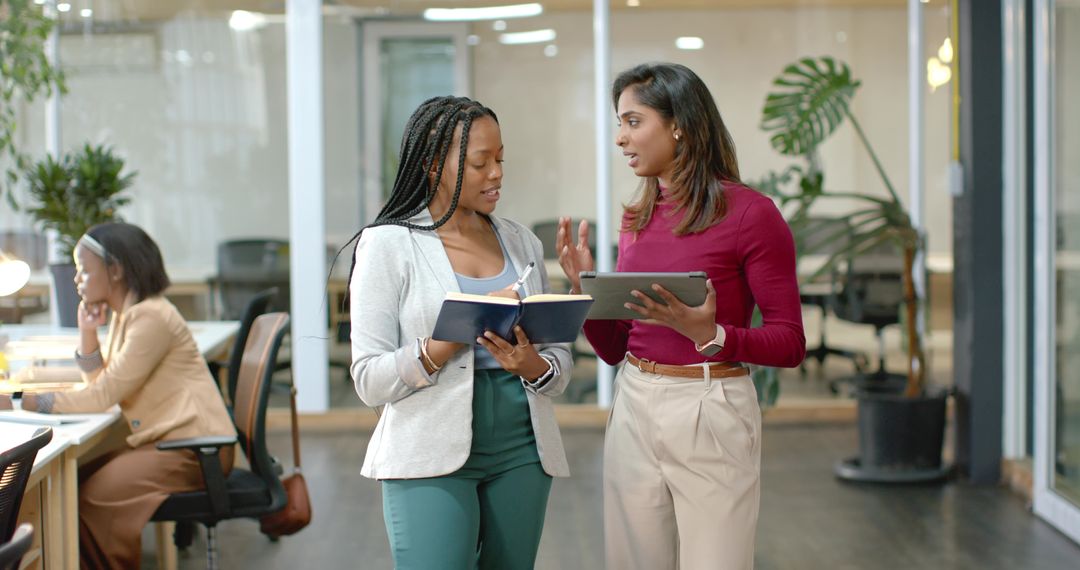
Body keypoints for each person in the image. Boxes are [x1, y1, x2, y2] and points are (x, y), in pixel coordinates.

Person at [557, 63, 806, 570]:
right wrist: (585, 292)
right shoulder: (636, 218)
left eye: (633, 122)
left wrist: (712, 335)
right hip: (634, 401)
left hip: (711, 404)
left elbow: (790, 343)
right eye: (620, 124)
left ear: (678, 126)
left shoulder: (752, 214)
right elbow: (614, 349)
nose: (621, 138)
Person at [345, 96, 572, 570]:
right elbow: (368, 379)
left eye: (501, 159)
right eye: (480, 162)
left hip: (523, 448)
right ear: (433, 166)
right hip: (427, 447)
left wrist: (535, 366)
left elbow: (557, 358)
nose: (497, 174)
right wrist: (446, 342)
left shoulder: (522, 242)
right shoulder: (389, 244)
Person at [0, 222, 236, 569]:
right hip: (175, 443)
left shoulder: (150, 317)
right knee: (75, 484)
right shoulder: (131, 315)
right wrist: (87, 331)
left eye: (84, 270)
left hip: (196, 451)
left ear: (116, 270)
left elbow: (103, 395)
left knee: (91, 497)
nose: (76, 279)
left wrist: (20, 400)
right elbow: (103, 381)